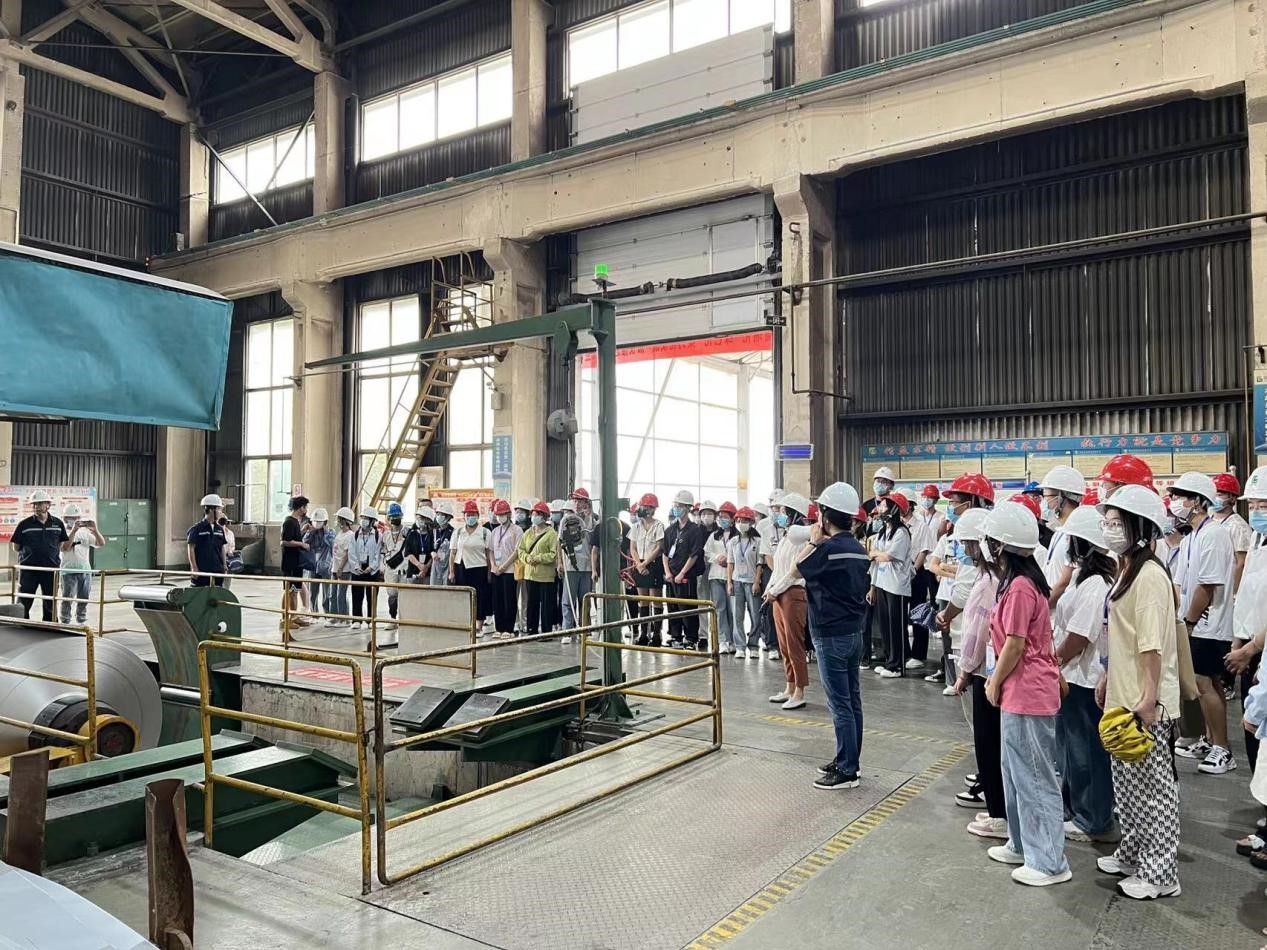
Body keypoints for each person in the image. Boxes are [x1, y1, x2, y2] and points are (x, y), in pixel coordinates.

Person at [1096, 485, 1182, 899]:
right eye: (1108, 522)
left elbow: (1152, 646)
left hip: (1145, 702)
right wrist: (1107, 678)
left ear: (1141, 528)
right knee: (1129, 788)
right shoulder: (1127, 569)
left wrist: (1148, 700)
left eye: (1119, 523)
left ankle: (1161, 874)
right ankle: (1133, 852)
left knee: (1155, 791)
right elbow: (1123, 636)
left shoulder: (1149, 577)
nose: (1110, 529)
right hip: (1123, 696)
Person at [978, 501, 1070, 887]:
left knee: (1034, 776)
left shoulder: (1019, 587)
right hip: (1020, 691)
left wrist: (993, 681)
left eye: (990, 540)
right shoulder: (1017, 583)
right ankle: (1021, 844)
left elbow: (1015, 644)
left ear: (1001, 546)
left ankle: (1049, 861)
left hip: (1027, 691)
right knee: (1014, 773)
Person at [1051, 505, 1116, 843]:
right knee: (1071, 751)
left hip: (1083, 679)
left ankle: (1094, 819)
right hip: (1072, 676)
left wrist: (1054, 661)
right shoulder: (1084, 578)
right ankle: (1077, 808)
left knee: (1087, 753)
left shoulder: (1096, 585)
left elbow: (1079, 637)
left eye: (1072, 540)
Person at [799, 483, 870, 790]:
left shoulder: (827, 550)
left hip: (830, 635)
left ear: (825, 516)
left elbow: (800, 567)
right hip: (854, 632)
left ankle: (847, 769)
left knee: (840, 704)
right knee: (852, 700)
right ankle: (849, 759)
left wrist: (813, 542)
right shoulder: (858, 549)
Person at [1168, 471, 1237, 774]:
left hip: (1209, 624)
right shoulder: (1191, 538)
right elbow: (1182, 584)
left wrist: (1190, 622)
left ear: (1197, 501)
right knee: (1207, 683)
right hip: (1194, 622)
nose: (1175, 502)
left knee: (1204, 683)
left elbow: (1207, 586)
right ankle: (1211, 740)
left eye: (1180, 496)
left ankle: (1223, 749)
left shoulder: (1214, 534)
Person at [948, 510, 1004, 836]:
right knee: (993, 743)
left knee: (988, 743)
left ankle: (999, 814)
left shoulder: (986, 583)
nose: (963, 550)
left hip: (984, 671)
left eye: (966, 544)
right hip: (990, 670)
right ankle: (997, 809)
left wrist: (965, 671)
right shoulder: (995, 577)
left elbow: (976, 632)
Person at [764, 492, 813, 709]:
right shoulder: (786, 537)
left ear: (794, 514)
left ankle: (799, 691)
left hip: (792, 594)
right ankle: (789, 687)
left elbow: (794, 573)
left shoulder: (800, 539)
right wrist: (770, 588)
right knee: (784, 645)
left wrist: (776, 589)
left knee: (795, 645)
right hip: (779, 594)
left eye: (783, 511)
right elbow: (779, 569)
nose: (779, 514)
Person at [869, 491, 913, 678]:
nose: (880, 508)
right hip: (882, 583)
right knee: (885, 626)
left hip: (896, 586)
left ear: (894, 509)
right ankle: (889, 661)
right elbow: (875, 558)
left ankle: (897, 666)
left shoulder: (901, 532)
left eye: (884, 505)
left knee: (896, 626)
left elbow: (889, 556)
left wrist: (876, 554)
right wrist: (872, 587)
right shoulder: (882, 532)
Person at [10, 490, 68, 621]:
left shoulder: (58, 524)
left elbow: (60, 544)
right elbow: (16, 547)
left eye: (39, 503)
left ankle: (50, 626)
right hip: (29, 570)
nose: (36, 506)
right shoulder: (24, 524)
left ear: (48, 505)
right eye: (34, 504)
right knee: (24, 600)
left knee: (50, 601)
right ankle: (21, 624)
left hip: (51, 569)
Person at [1037, 465, 1087, 607]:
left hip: (1059, 611)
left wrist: (1040, 609)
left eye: (1046, 497)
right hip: (1051, 612)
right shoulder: (1059, 532)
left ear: (1060, 498)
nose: (1044, 503)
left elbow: (1065, 581)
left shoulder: (1076, 534)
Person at [909, 484, 945, 678]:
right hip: (918, 566)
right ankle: (913, 652)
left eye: (930, 497)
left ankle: (922, 647)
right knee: (917, 607)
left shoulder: (941, 517)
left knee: (931, 603)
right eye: (925, 496)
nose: (927, 500)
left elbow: (939, 539)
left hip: (933, 565)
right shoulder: (916, 517)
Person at [663, 490, 706, 650]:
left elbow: (694, 554)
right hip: (671, 576)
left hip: (686, 576)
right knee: (673, 607)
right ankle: (676, 636)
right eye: (675, 505)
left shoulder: (695, 530)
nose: (676, 508)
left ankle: (691, 638)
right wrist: (668, 572)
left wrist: (682, 573)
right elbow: (665, 553)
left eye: (680, 505)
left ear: (688, 508)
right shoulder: (670, 530)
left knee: (687, 607)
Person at [558, 494, 597, 643]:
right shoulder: (566, 520)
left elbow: (595, 542)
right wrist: (560, 562)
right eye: (575, 500)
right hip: (571, 565)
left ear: (587, 502)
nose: (578, 503)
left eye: (580, 501)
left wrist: (589, 515)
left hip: (587, 566)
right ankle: (567, 631)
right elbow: (560, 541)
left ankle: (584, 630)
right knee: (568, 600)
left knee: (585, 599)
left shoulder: (592, 520)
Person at [518, 500, 559, 637]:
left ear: (544, 516)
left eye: (538, 514)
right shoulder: (528, 533)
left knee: (546, 605)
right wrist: (527, 558)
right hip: (530, 575)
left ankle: (546, 632)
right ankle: (532, 630)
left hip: (546, 576)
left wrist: (538, 558)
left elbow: (553, 554)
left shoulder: (551, 534)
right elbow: (521, 550)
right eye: (534, 514)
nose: (535, 517)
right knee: (532, 604)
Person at [628, 493, 665, 645]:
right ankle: (643, 634)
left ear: (652, 509)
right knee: (643, 601)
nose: (642, 509)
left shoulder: (658, 525)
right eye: (642, 506)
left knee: (655, 600)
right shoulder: (636, 527)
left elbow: (659, 547)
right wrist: (638, 563)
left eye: (646, 507)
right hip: (639, 564)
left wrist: (646, 563)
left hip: (653, 564)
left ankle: (656, 634)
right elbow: (633, 547)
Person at [58, 504, 103, 625]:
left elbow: (100, 543)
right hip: (68, 571)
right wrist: (73, 531)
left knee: (84, 598)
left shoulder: (85, 533)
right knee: (67, 598)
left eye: (77, 518)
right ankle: (65, 620)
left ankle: (81, 620)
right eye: (71, 517)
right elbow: (65, 548)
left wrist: (95, 530)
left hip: (85, 570)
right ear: (65, 518)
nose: (74, 520)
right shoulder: (62, 532)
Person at [450, 500, 492, 626]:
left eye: (473, 515)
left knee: (480, 597)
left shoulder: (485, 532)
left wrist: (489, 572)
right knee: (462, 597)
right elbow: (453, 553)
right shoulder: (458, 532)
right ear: (464, 516)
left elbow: (488, 554)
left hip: (479, 568)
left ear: (478, 516)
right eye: (468, 515)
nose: (470, 518)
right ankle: (465, 624)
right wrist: (451, 572)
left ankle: (479, 625)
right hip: (461, 567)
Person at [727, 506, 762, 659]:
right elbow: (730, 563)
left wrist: (757, 581)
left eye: (745, 521)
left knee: (755, 615)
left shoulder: (758, 541)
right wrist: (729, 582)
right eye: (739, 520)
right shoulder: (733, 542)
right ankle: (740, 646)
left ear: (751, 522)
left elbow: (760, 563)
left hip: (751, 581)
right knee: (737, 615)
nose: (741, 523)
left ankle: (754, 645)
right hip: (737, 581)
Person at [704, 501, 738, 654]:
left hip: (733, 576)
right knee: (720, 608)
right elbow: (707, 552)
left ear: (732, 519)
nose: (721, 519)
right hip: (716, 575)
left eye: (725, 517)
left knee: (733, 610)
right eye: (720, 517)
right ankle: (723, 640)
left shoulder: (738, 536)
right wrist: (717, 558)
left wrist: (729, 560)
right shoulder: (714, 536)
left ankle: (734, 641)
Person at [1212, 472, 1253, 591]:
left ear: (1233, 498)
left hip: (1226, 589)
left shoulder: (1238, 526)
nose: (1215, 498)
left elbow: (1241, 563)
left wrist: (1234, 593)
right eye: (1213, 495)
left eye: (1220, 495)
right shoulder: (1208, 520)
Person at [488, 499, 522, 639]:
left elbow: (516, 551)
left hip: (509, 570)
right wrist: (493, 566)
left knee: (509, 599)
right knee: (497, 600)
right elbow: (491, 550)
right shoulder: (495, 531)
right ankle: (499, 628)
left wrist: (503, 567)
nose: (500, 517)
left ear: (508, 514)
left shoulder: (517, 530)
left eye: (502, 514)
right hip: (496, 570)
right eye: (498, 514)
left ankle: (509, 628)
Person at [280, 496, 313, 628]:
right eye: (305, 506)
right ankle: (285, 618)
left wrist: (302, 530)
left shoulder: (295, 522)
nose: (306, 509)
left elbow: (292, 537)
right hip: (290, 562)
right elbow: (285, 541)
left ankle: (293, 616)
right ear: (301, 507)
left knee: (295, 590)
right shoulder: (289, 522)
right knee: (289, 590)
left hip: (296, 561)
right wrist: (302, 544)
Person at [349, 506, 383, 632]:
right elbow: (351, 552)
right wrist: (356, 566)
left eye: (366, 518)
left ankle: (371, 619)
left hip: (372, 570)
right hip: (357, 569)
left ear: (372, 521)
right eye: (362, 517)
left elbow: (378, 554)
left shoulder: (378, 536)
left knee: (372, 596)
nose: (363, 520)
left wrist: (371, 567)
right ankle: (356, 620)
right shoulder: (355, 535)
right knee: (357, 595)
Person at [186, 494, 227, 590]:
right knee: (200, 594)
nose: (220, 512)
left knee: (216, 594)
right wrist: (194, 568)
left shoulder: (219, 529)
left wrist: (224, 565)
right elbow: (191, 548)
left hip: (217, 570)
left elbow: (222, 548)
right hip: (202, 571)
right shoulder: (196, 529)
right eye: (219, 509)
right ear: (211, 510)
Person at [304, 508, 336, 625]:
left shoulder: (331, 532)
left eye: (319, 522)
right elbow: (305, 542)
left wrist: (326, 533)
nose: (317, 524)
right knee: (312, 592)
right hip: (313, 565)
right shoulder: (312, 533)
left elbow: (333, 545)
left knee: (327, 593)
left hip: (326, 566)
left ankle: (327, 615)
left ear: (325, 522)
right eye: (315, 521)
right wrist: (309, 532)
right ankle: (314, 614)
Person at [381, 502, 408, 634]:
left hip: (404, 567)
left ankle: (404, 619)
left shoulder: (407, 532)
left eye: (397, 517)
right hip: (390, 567)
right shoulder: (386, 534)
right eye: (392, 517)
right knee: (392, 595)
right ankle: (392, 618)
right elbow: (383, 550)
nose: (394, 519)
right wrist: (382, 565)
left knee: (404, 594)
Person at [329, 506, 356, 627]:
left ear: (345, 520)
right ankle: (334, 617)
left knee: (341, 595)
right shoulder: (339, 533)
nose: (337, 521)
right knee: (333, 594)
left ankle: (344, 619)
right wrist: (333, 566)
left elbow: (346, 553)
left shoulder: (350, 535)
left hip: (344, 569)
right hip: (335, 568)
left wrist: (340, 568)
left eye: (339, 518)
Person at [405, 506, 435, 586]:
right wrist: (418, 565)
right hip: (412, 573)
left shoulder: (432, 534)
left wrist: (425, 568)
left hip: (427, 574)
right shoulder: (411, 533)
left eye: (421, 518)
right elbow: (408, 553)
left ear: (428, 520)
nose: (419, 520)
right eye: (418, 517)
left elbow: (434, 551)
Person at [431, 501, 455, 586]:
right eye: (438, 514)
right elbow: (430, 547)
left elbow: (454, 552)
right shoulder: (434, 531)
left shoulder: (453, 532)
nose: (439, 517)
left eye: (442, 515)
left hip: (447, 565)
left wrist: (452, 571)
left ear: (448, 517)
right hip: (435, 565)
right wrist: (432, 552)